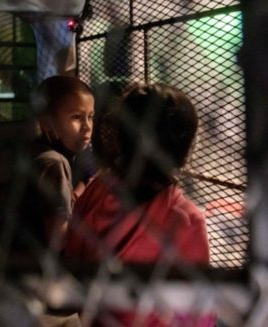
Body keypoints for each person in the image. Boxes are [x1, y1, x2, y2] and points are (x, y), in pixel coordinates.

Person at [64, 83, 211, 326]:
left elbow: (72, 263)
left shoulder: (97, 189)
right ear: (183, 149)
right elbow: (198, 314)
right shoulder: (186, 219)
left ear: (122, 136)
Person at [4, 75, 95, 253]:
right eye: (76, 117)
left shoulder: (34, 151)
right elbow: (58, 242)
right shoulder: (55, 163)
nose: (87, 126)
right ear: (46, 123)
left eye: (90, 116)